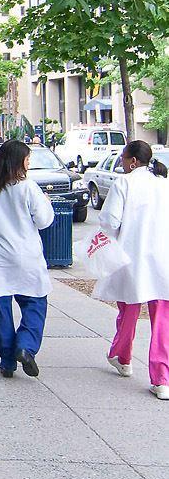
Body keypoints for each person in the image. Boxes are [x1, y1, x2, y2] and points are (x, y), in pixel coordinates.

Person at [0, 139, 54, 378]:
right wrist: (46, 204)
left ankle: (7, 361)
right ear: (19, 161)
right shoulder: (28, 188)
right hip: (26, 255)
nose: (29, 163)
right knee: (34, 304)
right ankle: (25, 346)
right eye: (28, 159)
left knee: (1, 309)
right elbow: (45, 221)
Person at [97, 140, 169, 400]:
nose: (122, 164)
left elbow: (109, 221)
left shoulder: (124, 184)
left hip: (132, 258)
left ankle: (122, 356)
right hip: (162, 260)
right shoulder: (164, 185)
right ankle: (162, 379)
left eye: (124, 159)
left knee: (128, 309)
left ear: (133, 161)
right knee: (162, 320)